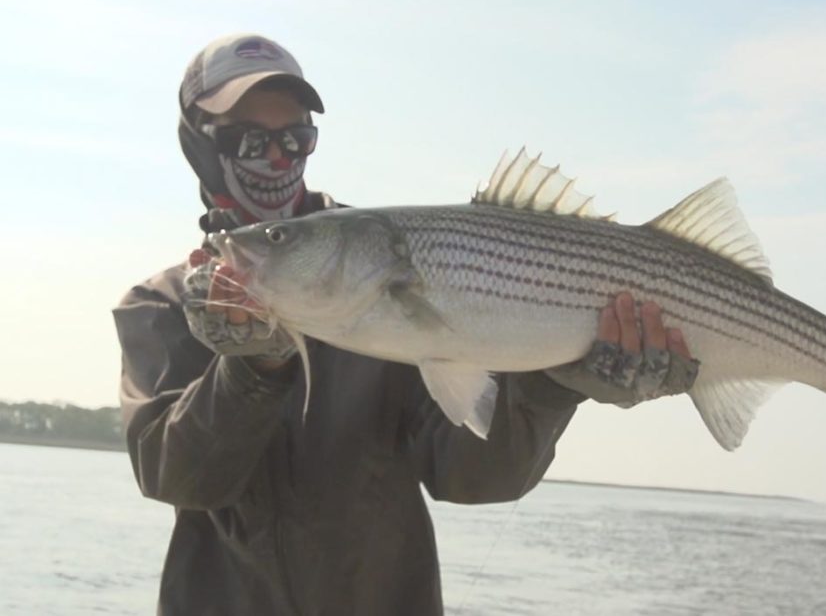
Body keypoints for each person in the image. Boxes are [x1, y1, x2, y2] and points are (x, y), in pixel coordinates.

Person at [114, 33, 699, 616]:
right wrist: (252, 371)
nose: (276, 159)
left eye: (294, 139)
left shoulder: (374, 265)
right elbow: (178, 479)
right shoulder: (160, 306)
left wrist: (551, 386)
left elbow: (473, 477)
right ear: (199, 146)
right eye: (248, 139)